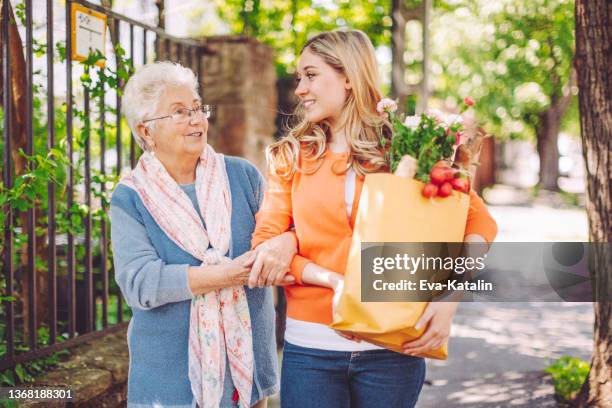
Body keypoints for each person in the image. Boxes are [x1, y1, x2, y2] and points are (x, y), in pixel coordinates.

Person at [250, 30, 498, 407]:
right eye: (299, 77)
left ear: (348, 76)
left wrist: (449, 297)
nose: (300, 88)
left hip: (394, 347)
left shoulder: (409, 148)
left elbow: (478, 223)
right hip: (311, 349)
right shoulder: (291, 157)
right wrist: (334, 281)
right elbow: (264, 252)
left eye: (311, 75)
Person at [110, 61, 296, 408]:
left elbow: (284, 234)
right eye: (180, 112)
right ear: (146, 131)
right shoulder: (130, 197)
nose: (197, 120)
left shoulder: (242, 176)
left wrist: (287, 240)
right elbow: (141, 283)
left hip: (246, 374)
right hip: (169, 383)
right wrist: (225, 275)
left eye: (197, 108)